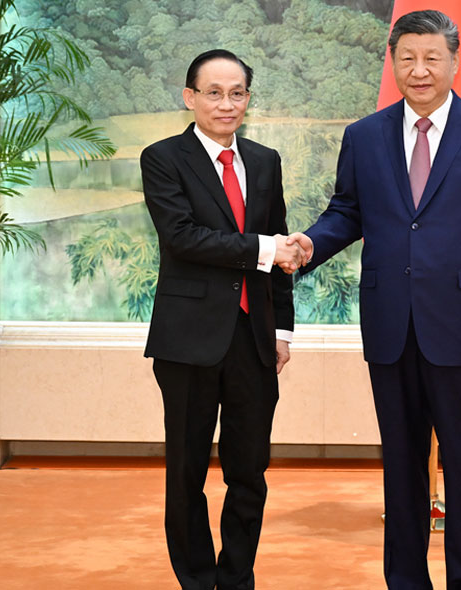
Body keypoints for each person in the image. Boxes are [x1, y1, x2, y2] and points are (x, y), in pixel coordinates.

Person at [287, 10, 461, 590]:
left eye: (431, 58)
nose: (419, 70)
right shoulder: (365, 135)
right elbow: (347, 211)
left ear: (454, 62)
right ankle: (405, 581)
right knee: (401, 467)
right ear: (394, 63)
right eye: (407, 58)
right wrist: (311, 243)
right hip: (391, 326)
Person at [140, 49, 303, 590]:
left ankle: (236, 579)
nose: (226, 104)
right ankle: (195, 579)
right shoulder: (163, 158)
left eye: (237, 93)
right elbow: (182, 238)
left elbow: (280, 255)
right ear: (190, 97)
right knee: (187, 472)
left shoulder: (264, 161)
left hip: (253, 340)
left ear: (248, 99)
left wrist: (281, 330)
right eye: (213, 93)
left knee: (249, 472)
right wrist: (264, 248)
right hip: (188, 341)